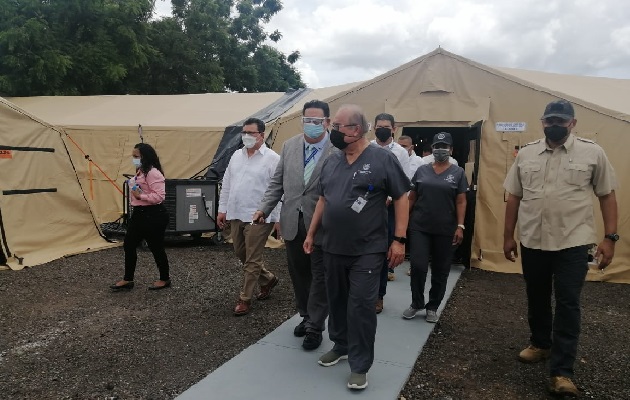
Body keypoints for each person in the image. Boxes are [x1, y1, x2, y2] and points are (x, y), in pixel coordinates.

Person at [503, 99, 618, 397]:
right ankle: (541, 344)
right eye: (550, 120)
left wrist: (610, 238)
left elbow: (607, 195)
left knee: (568, 303)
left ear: (573, 123)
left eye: (562, 121)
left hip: (573, 242)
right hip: (533, 239)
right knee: (537, 295)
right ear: (542, 122)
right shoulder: (526, 153)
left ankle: (562, 372)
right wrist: (507, 237)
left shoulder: (593, 152)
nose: (556, 125)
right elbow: (513, 197)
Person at [303, 104, 409, 390]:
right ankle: (341, 345)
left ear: (356, 129)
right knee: (336, 300)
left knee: (361, 305)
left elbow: (401, 197)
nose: (331, 131)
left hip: (368, 249)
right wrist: (311, 233)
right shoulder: (332, 161)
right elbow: (323, 200)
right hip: (332, 246)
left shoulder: (382, 159)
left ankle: (360, 365)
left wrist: (399, 240)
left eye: (336, 126)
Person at [253, 100, 334, 351]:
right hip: (292, 221)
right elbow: (277, 183)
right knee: (299, 273)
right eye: (307, 120)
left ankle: (315, 326)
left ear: (327, 123)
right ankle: (306, 315)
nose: (311, 125)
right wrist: (264, 208)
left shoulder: (338, 149)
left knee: (320, 275)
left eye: (317, 121)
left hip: (323, 224)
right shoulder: (289, 146)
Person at [217, 117, 281, 316]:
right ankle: (268, 279)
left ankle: (244, 298)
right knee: (240, 252)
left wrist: (277, 218)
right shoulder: (237, 155)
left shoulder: (273, 158)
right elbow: (227, 183)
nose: (246, 136)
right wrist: (222, 209)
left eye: (251, 133)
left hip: (260, 215)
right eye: (244, 133)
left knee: (252, 259)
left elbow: (279, 190)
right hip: (237, 212)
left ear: (261, 135)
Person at [402, 132, 467, 323]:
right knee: (418, 266)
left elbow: (461, 201)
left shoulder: (458, 173)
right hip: (420, 227)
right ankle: (416, 303)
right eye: (437, 146)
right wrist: (403, 222)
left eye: (445, 147)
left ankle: (432, 306)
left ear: (451, 150)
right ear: (432, 150)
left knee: (441, 269)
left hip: (446, 229)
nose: (441, 150)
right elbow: (411, 198)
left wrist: (460, 225)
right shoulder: (422, 170)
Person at [110, 143, 171, 291]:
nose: (134, 159)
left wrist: (141, 196)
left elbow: (159, 196)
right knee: (129, 244)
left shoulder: (153, 173)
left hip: (154, 214)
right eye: (133, 156)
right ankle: (128, 279)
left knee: (156, 247)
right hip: (139, 214)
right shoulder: (140, 171)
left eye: (136, 156)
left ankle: (165, 278)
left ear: (145, 157)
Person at [371, 113, 409, 308]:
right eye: (379, 126)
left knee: (382, 251)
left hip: (388, 209)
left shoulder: (400, 153)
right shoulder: (367, 147)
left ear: (394, 129)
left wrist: (387, 198)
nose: (382, 129)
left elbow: (403, 185)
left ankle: (379, 294)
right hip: (367, 207)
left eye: (386, 126)